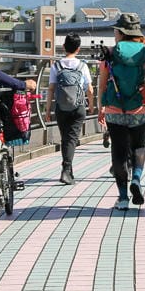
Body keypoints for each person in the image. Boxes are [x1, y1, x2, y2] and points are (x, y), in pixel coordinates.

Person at [97, 13, 145, 210]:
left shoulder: (109, 53)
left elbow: (102, 84)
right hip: (139, 109)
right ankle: (137, 179)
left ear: (121, 32)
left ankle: (123, 198)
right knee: (139, 147)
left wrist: (101, 108)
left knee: (119, 152)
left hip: (114, 109)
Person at [47, 33, 95, 185]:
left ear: (63, 47)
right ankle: (66, 170)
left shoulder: (56, 66)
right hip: (78, 106)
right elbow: (90, 89)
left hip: (61, 107)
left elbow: (51, 89)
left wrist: (48, 110)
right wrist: (91, 105)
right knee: (72, 139)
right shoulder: (82, 66)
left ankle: (68, 169)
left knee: (65, 138)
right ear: (78, 49)